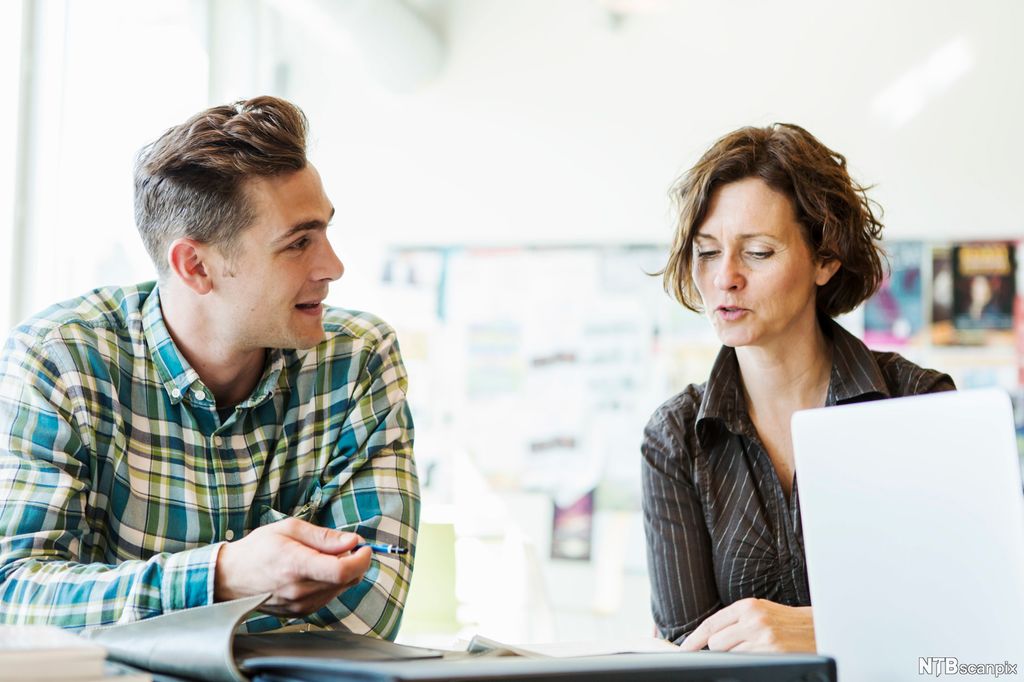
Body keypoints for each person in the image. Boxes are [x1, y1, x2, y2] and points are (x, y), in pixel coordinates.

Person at [0, 96, 419, 637]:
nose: (332, 267)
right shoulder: (61, 359)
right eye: (298, 243)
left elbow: (367, 612)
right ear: (195, 266)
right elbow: (13, 595)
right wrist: (219, 577)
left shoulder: (359, 360)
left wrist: (133, 613)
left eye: (326, 233)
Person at [641, 123, 954, 652]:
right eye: (708, 251)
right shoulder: (676, 438)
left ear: (826, 258)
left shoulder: (917, 403)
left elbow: (967, 624)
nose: (725, 279)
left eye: (758, 253)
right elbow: (689, 655)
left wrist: (822, 631)